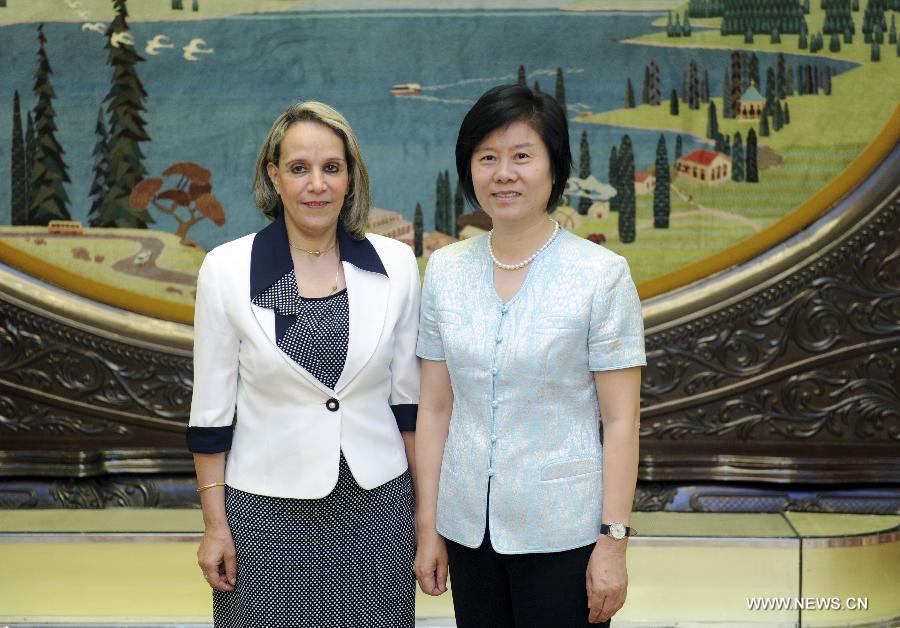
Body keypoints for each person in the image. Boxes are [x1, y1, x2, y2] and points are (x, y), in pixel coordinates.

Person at [413, 84, 646, 627]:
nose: (504, 173)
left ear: (554, 167)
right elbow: (435, 409)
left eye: (522, 156)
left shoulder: (600, 275)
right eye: (487, 158)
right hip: (468, 529)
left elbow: (621, 419)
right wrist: (429, 527)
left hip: (565, 534)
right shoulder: (445, 272)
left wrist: (613, 543)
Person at [187, 101, 420, 627]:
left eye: (331, 168)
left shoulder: (397, 265)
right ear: (274, 175)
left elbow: (410, 405)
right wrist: (214, 525)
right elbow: (210, 417)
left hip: (378, 510)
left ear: (350, 176)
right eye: (299, 168)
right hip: (265, 515)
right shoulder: (226, 269)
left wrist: (427, 523)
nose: (316, 184)